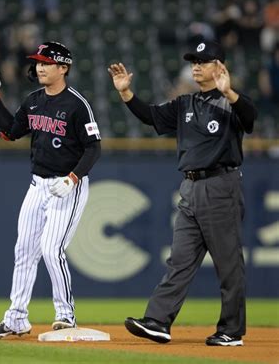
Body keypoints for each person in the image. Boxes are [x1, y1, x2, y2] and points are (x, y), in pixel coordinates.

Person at [108, 40, 257, 347]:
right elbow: (150, 116)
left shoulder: (230, 101)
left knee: (227, 263)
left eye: (203, 61)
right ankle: (159, 321)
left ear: (220, 66)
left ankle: (232, 330)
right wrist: (126, 93)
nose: (196, 66)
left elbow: (251, 118)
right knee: (179, 260)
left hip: (220, 184)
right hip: (189, 188)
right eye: (193, 62)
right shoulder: (184, 103)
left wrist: (230, 91)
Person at [0, 41, 101, 338]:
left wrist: (72, 178)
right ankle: (16, 319)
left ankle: (65, 315)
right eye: (38, 62)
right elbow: (11, 133)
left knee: (51, 249)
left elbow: (94, 148)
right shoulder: (34, 100)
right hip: (38, 184)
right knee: (24, 250)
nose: (40, 67)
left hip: (66, 185)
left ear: (63, 68)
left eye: (47, 62)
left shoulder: (76, 104)